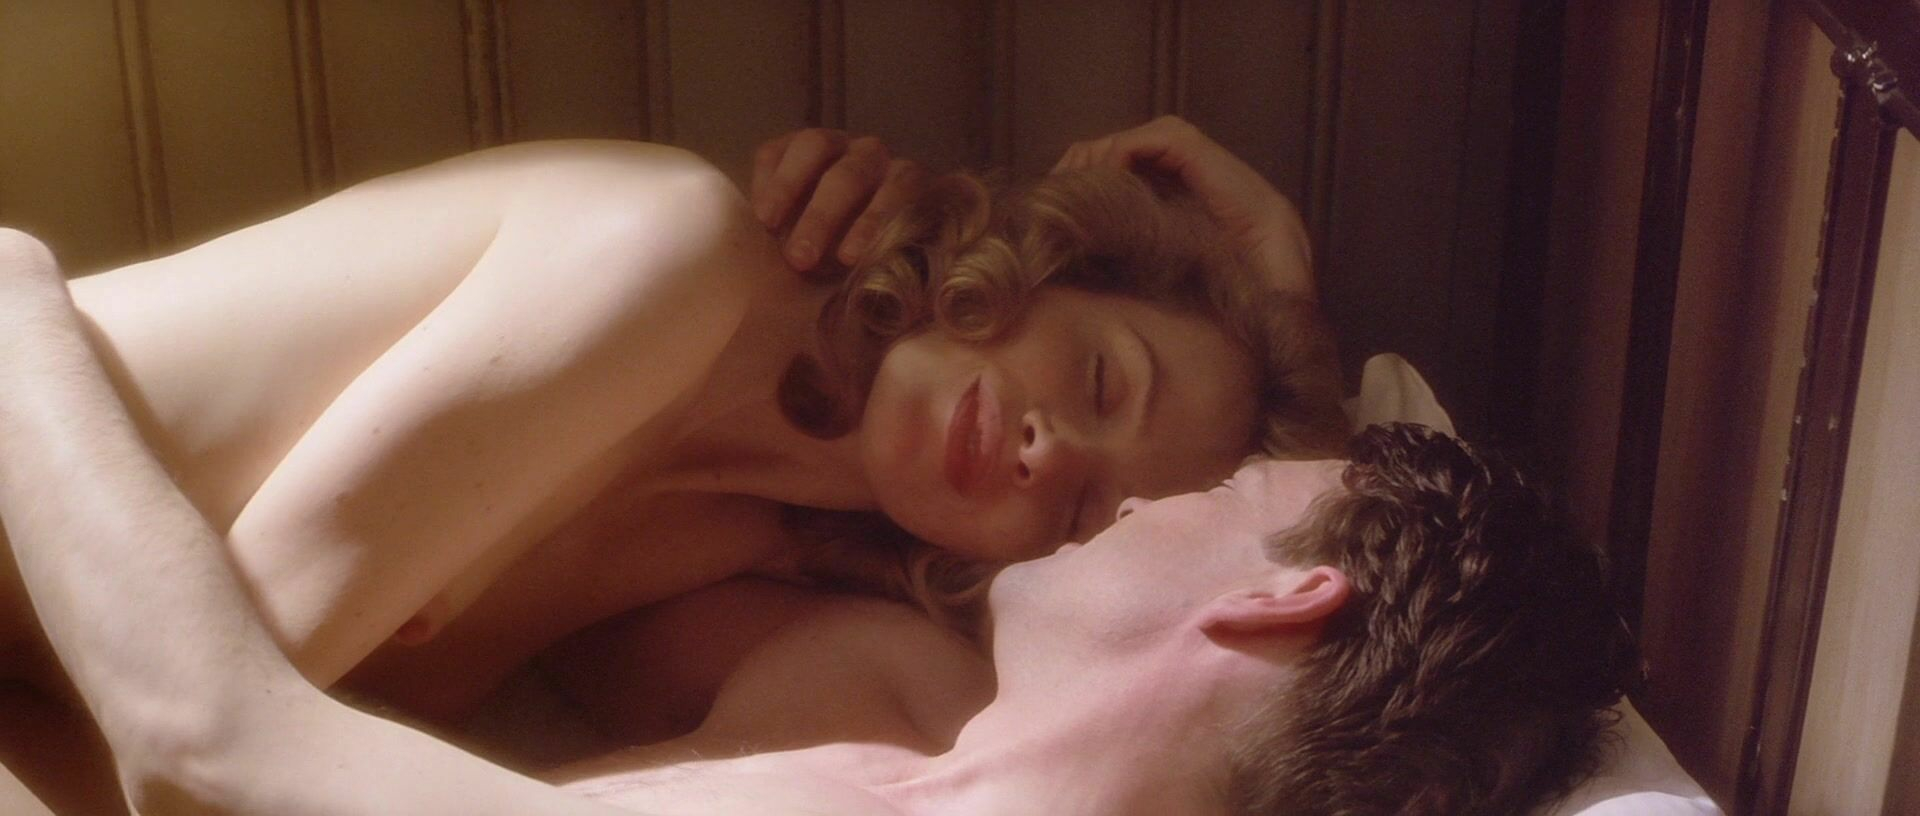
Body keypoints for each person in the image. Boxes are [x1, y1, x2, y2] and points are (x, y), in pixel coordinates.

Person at [0, 242, 1637, 813]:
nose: (1111, 517)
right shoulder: (889, 742)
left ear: (1280, 602)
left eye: (1188, 501)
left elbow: (204, 748)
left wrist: (15, 299)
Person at [0, 119, 1344, 801]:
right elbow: (178, 716)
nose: (1051, 455)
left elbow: (1251, 692)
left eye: (1094, 515)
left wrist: (1308, 350)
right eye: (1102, 379)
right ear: (1042, 266)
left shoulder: (769, 568)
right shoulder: (667, 256)